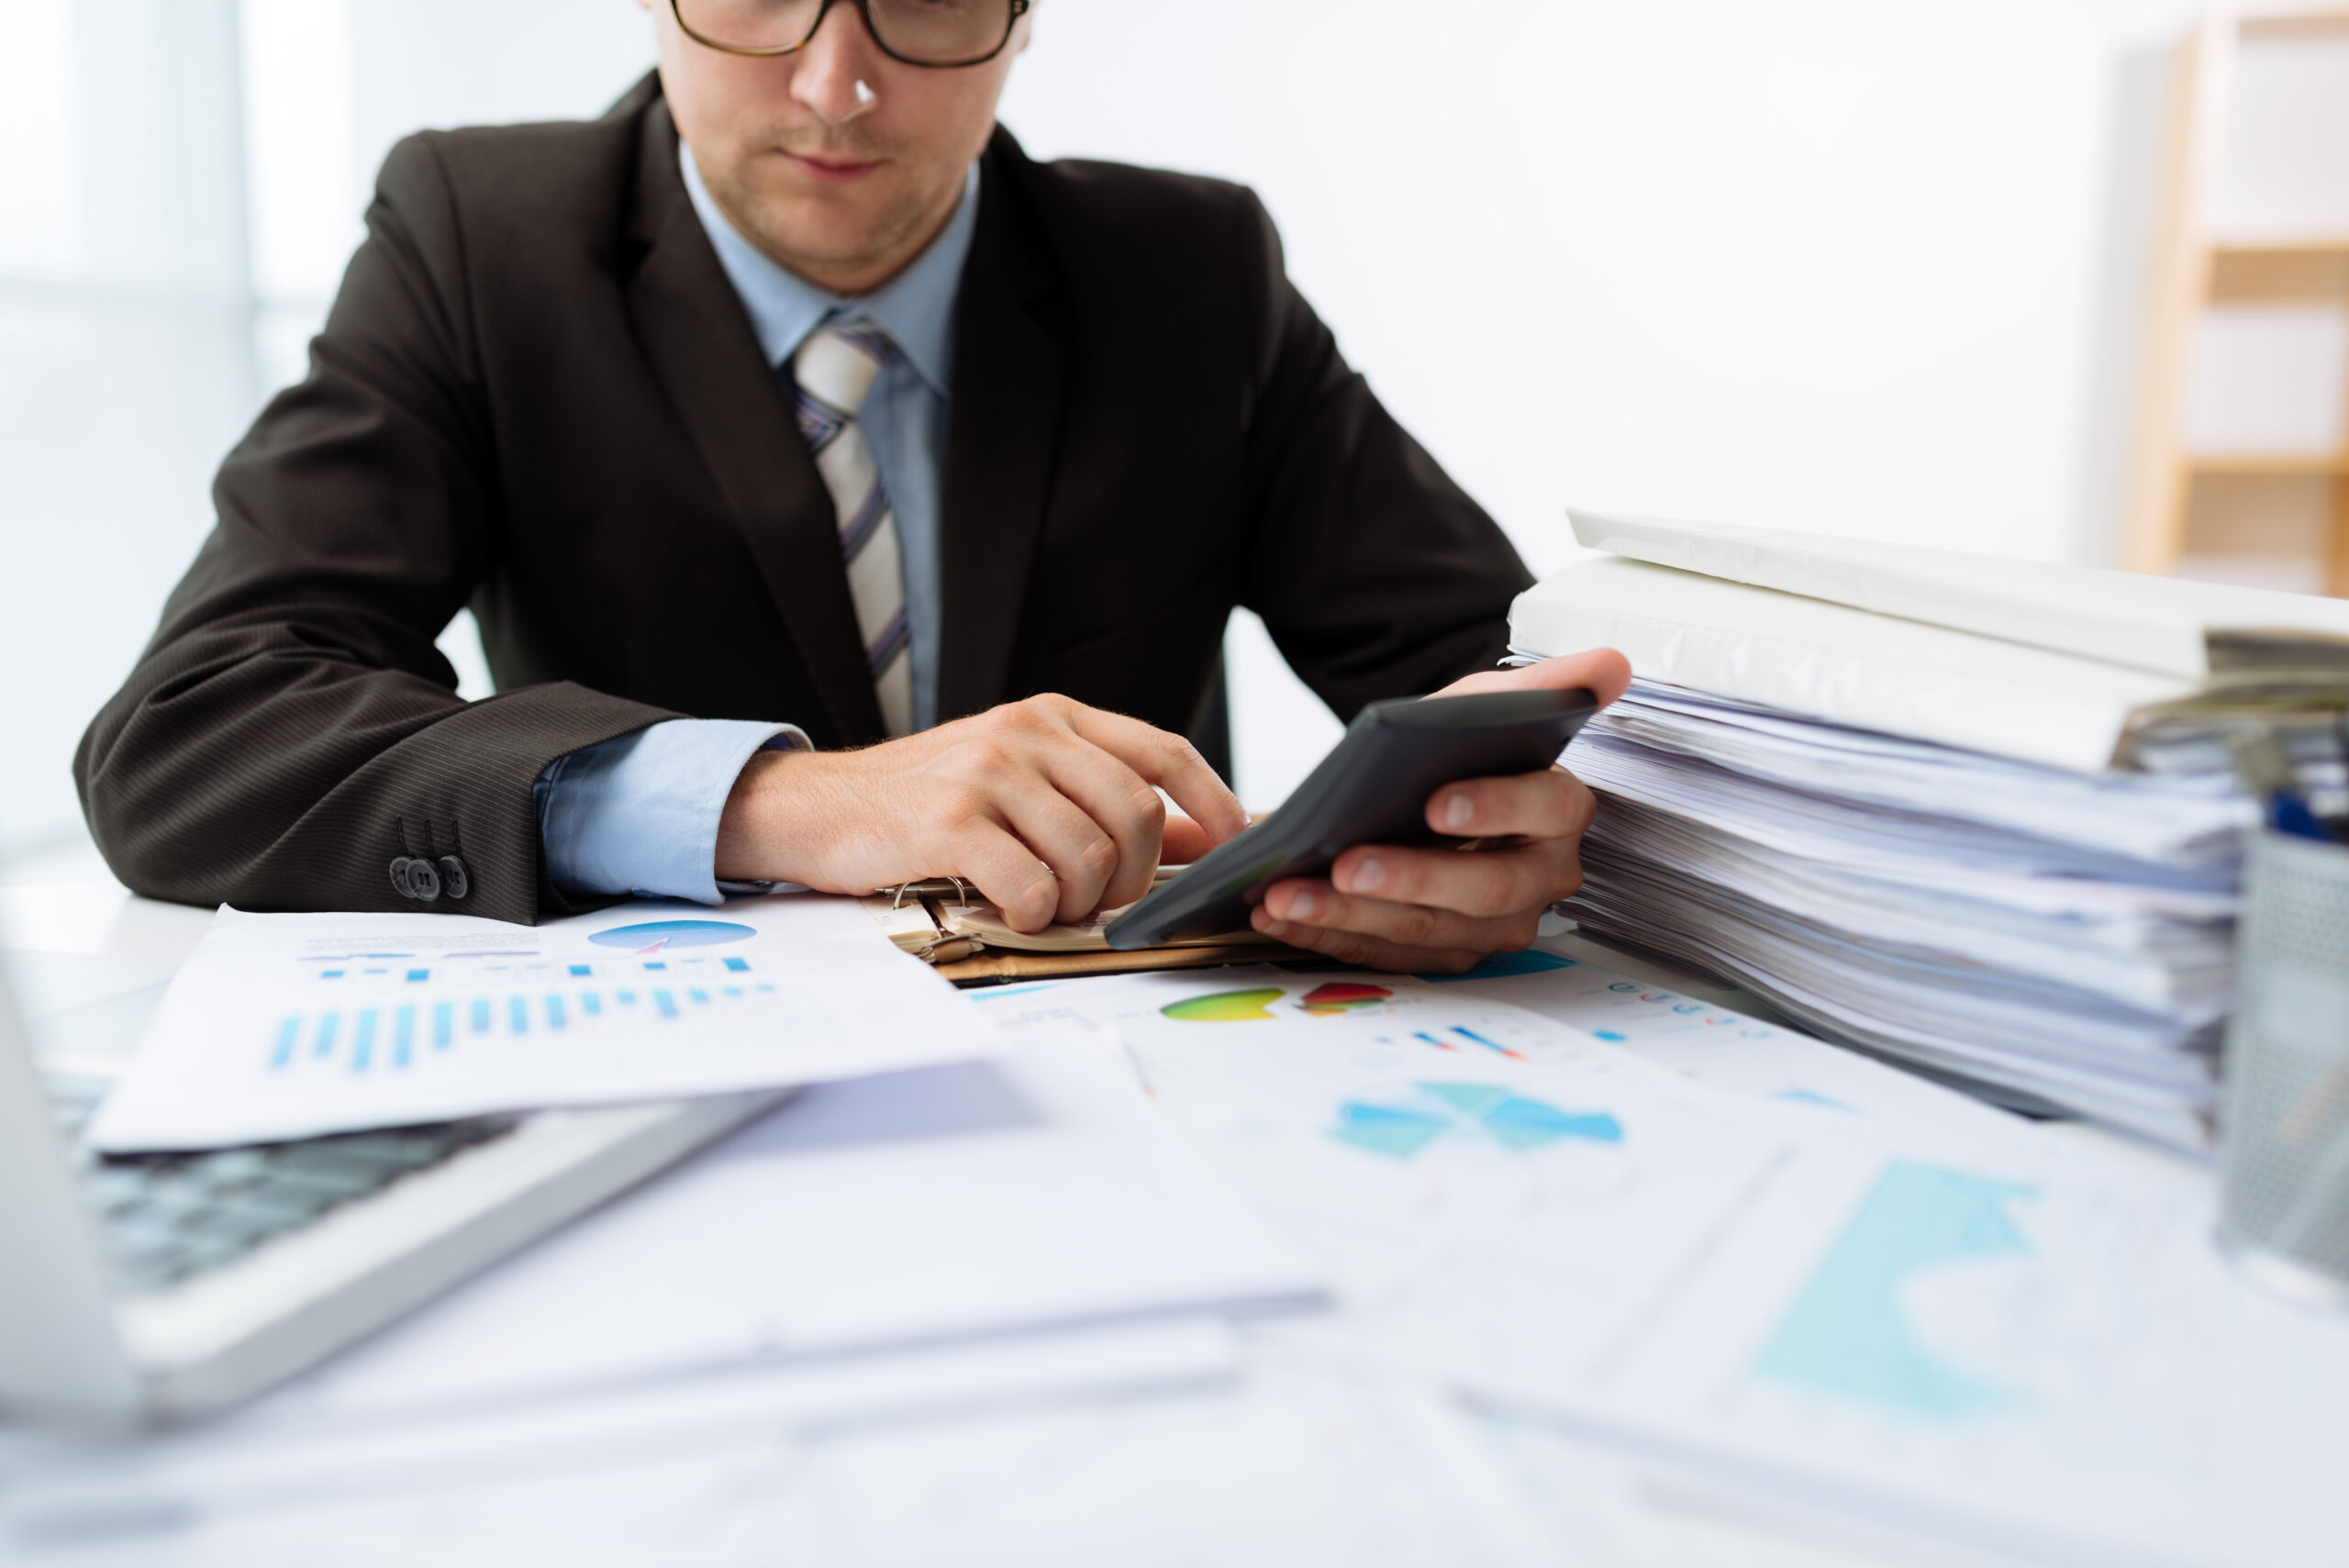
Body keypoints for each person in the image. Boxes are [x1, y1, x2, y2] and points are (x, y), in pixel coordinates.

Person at [76, 0, 1631, 975]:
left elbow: (1497, 681)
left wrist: (1499, 831)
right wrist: (774, 800)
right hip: (682, 1119)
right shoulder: (477, 241)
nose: (836, 83)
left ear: (1027, 18)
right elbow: (190, 737)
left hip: (1150, 1102)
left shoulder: (1191, 277)